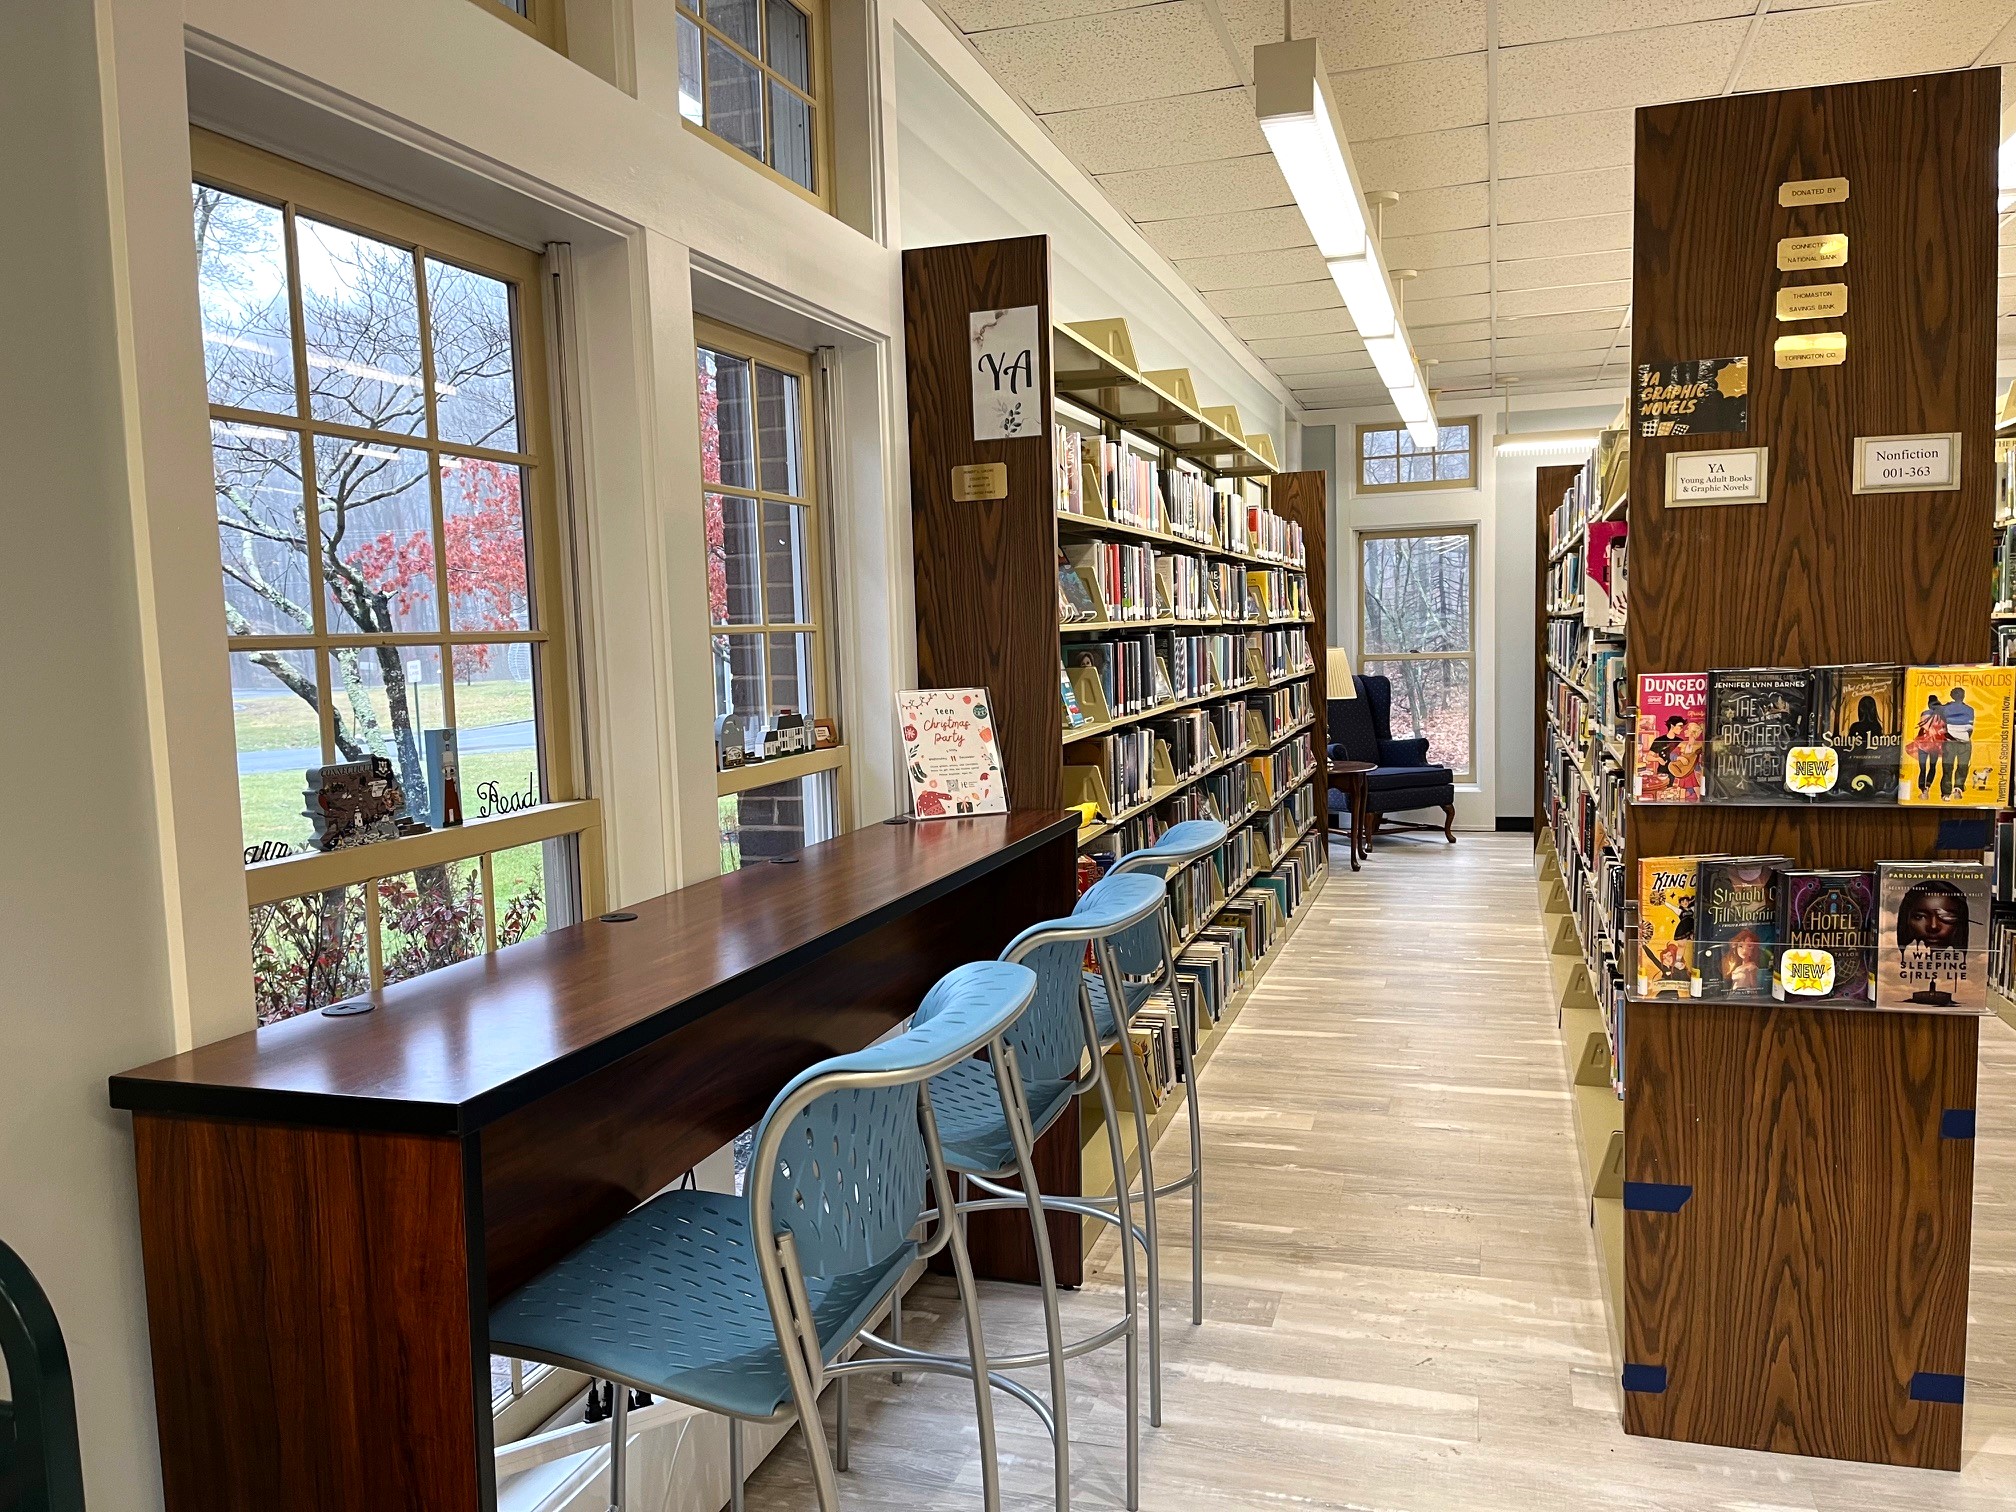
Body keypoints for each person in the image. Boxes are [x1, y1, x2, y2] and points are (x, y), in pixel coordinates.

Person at [1906, 694, 1946, 800]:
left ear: (1929, 704)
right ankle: (1928, 787)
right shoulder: (1942, 716)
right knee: (1932, 767)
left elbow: (1923, 727)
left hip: (1923, 743)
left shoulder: (1925, 713)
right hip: (1935, 745)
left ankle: (1923, 790)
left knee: (1922, 768)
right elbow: (1943, 730)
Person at [1938, 686, 1975, 800]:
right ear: (1963, 696)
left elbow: (1941, 723)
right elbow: (1970, 728)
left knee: (1948, 767)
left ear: (1952, 696)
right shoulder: (1970, 710)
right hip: (1965, 741)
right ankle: (1958, 788)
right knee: (1962, 766)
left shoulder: (1945, 709)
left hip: (1950, 741)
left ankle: (1946, 794)